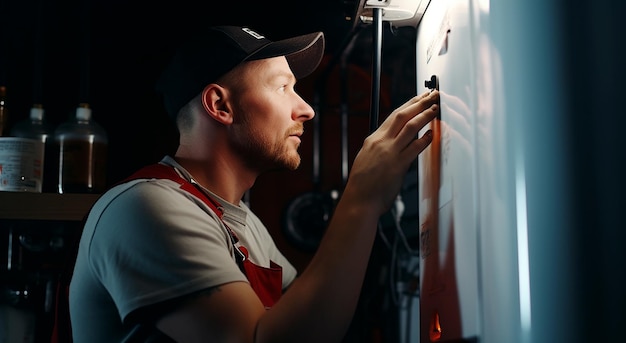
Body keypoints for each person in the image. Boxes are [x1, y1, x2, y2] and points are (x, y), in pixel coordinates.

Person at [68, 25, 439, 342]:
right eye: (282, 88)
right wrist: (362, 197)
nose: (306, 109)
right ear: (220, 105)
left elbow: (312, 322)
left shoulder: (242, 223)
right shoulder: (146, 207)